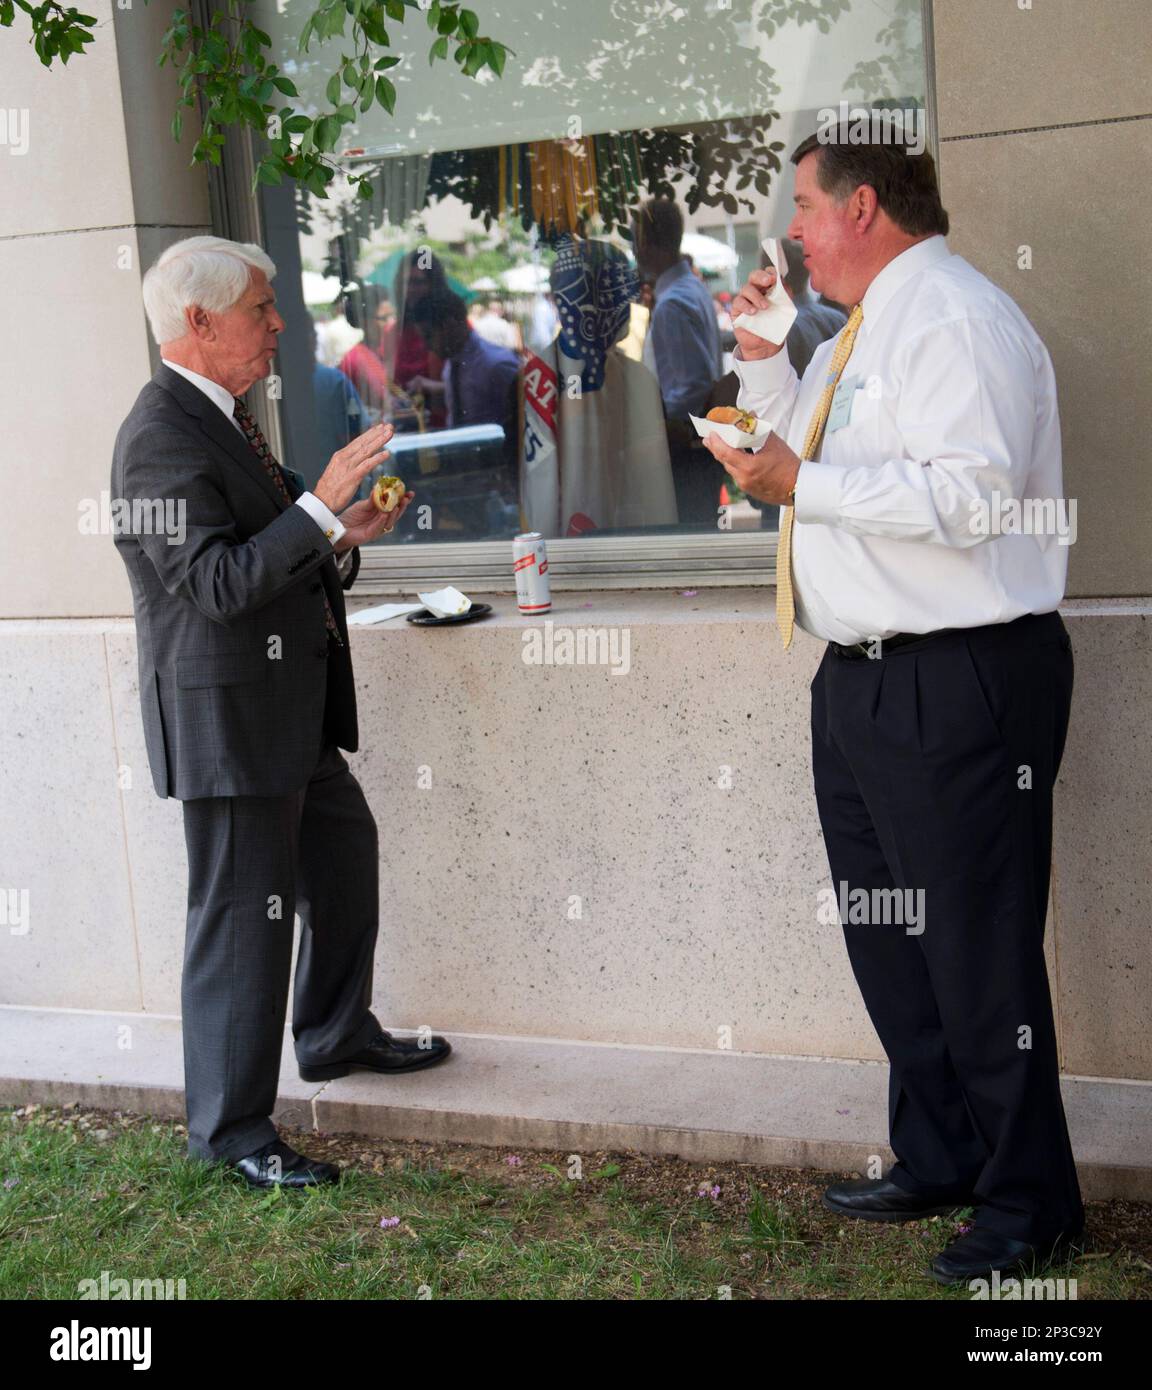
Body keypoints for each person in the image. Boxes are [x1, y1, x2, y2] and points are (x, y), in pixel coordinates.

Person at [703, 127, 1083, 1285]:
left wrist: (797, 480)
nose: (793, 238)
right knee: (892, 933)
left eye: (805, 211)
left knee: (974, 946)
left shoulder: (955, 318)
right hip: (863, 676)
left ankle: (1032, 1200)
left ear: (863, 207)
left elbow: (968, 498)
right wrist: (766, 357)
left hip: (958, 675)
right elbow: (807, 451)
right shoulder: (861, 331)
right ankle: (943, 1153)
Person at [111, 236, 449, 1191]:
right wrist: (320, 506)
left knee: (344, 860)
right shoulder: (157, 437)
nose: (278, 324)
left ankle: (336, 1035)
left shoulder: (222, 415)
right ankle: (231, 1132)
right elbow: (215, 584)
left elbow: (273, 547)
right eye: (261, 309)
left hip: (287, 716)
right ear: (200, 322)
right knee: (243, 921)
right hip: (230, 728)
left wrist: (338, 529)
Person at [633, 197, 725, 527]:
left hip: (684, 449)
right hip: (694, 446)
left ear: (645, 245)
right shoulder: (691, 288)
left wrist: (652, 427)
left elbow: (692, 386)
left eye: (635, 239)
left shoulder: (674, 302)